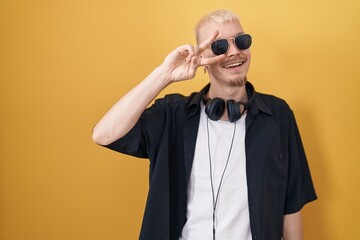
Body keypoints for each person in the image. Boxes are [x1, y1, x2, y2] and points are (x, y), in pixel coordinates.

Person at [92, 9, 317, 240]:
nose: (234, 52)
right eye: (220, 46)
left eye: (241, 41)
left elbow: (292, 205)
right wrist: (165, 74)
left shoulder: (279, 115)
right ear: (203, 61)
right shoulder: (173, 115)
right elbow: (104, 134)